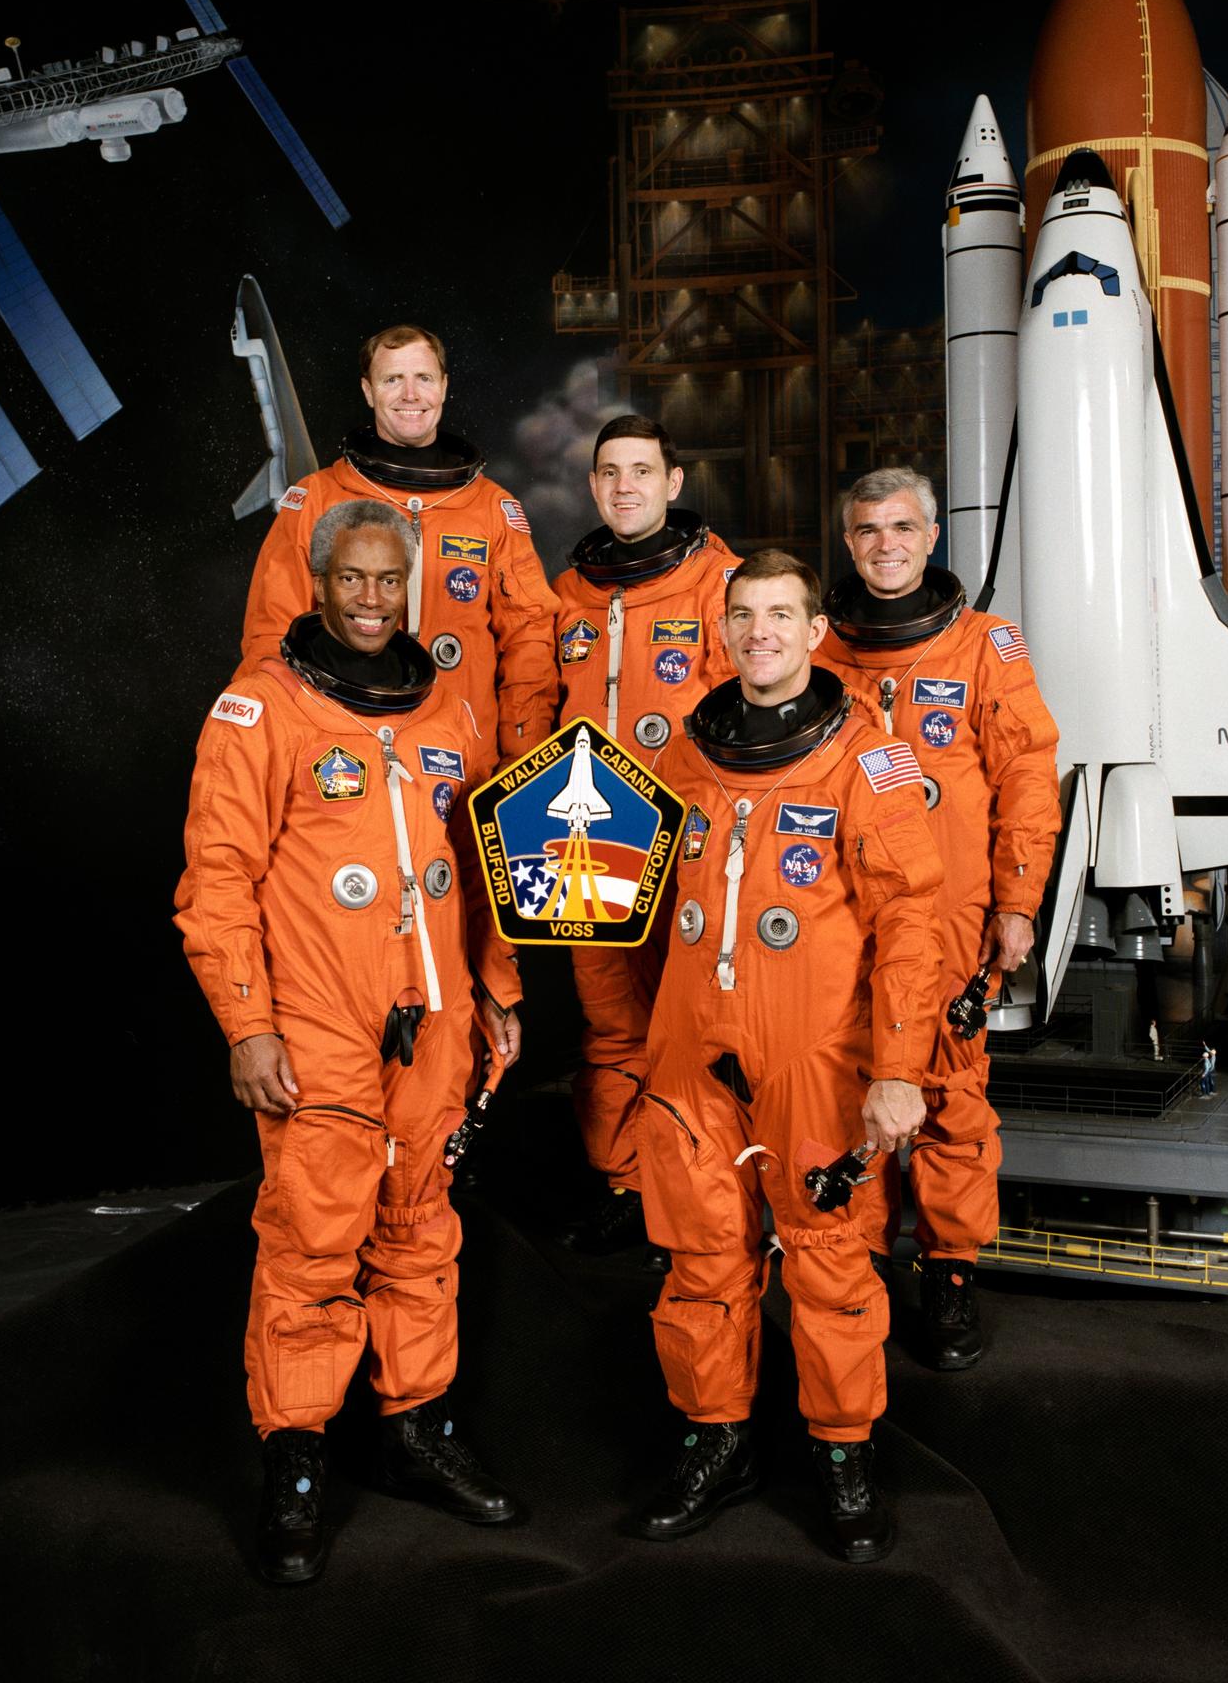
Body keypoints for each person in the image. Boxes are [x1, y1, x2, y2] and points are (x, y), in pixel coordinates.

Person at [176, 499, 524, 1585]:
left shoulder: (448, 714)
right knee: (313, 1243)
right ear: (320, 586)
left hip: (437, 1025)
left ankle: (415, 1426)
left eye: (389, 582)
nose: (372, 601)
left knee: (421, 1232)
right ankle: (297, 1457)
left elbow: (478, 867)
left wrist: (499, 991)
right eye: (354, 581)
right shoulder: (259, 708)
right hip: (319, 1026)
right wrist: (247, 1025)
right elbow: (215, 885)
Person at [636, 550, 945, 1563]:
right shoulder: (688, 751)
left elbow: (911, 920)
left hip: (814, 1051)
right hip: (692, 1046)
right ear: (723, 632)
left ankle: (844, 1455)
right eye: (744, 616)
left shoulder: (869, 757)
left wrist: (899, 1067)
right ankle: (717, 1438)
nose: (759, 632)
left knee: (828, 1254)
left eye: (781, 615)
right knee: (697, 1254)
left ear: (818, 633)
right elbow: (634, 895)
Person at [816, 467, 1060, 1371]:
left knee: (951, 1093)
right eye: (869, 529)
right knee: (854, 1083)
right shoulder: (818, 656)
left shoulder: (984, 646)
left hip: (953, 916)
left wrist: (1018, 899)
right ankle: (865, 1254)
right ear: (849, 542)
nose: (887, 544)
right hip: (844, 912)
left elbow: (1028, 778)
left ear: (931, 537)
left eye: (903, 527)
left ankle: (951, 1268)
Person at [551, 414, 740, 1254]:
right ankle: (626, 1182)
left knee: (698, 1026)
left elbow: (752, 723)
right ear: (594, 487)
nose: (625, 486)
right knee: (613, 1026)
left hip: (691, 847)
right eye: (609, 472)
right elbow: (532, 712)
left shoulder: (721, 586)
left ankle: (707, 1192)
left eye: (642, 470)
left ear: (674, 482)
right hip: (590, 841)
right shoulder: (565, 596)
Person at [241, 323, 559, 766]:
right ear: (369, 391)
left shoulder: (491, 508)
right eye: (393, 380)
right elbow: (271, 637)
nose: (411, 395)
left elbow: (530, 641)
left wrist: (522, 761)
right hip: (344, 759)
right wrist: (285, 753)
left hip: (467, 761)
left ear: (444, 387)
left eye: (424, 378)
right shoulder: (317, 500)